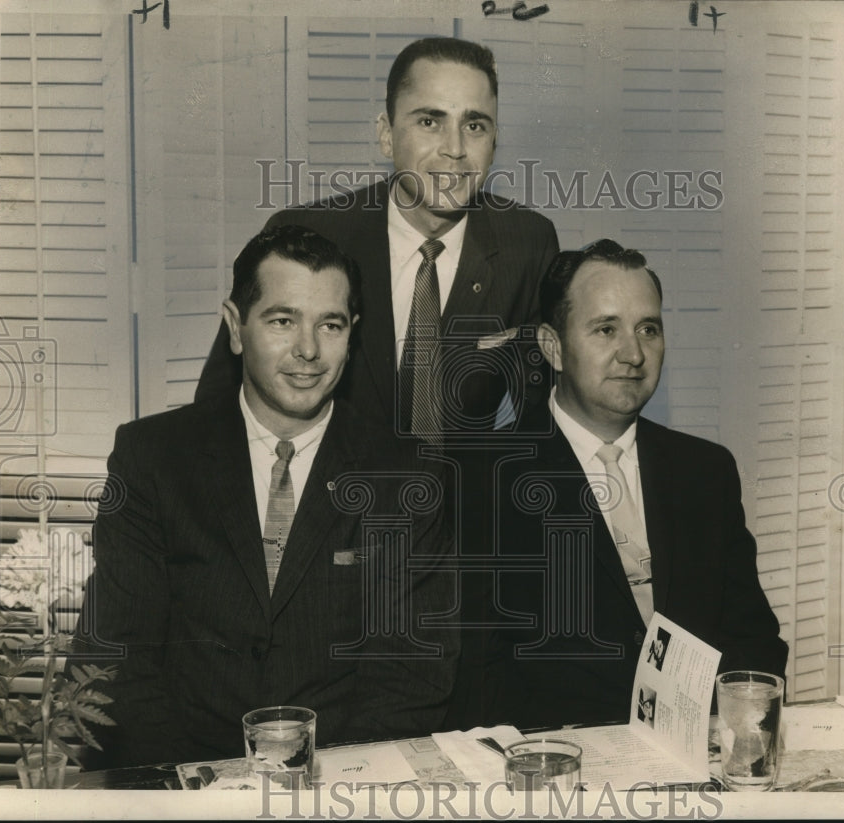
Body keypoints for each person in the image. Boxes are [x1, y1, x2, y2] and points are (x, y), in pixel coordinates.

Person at [72, 226, 459, 769]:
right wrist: (197, 794)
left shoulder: (408, 475)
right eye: (282, 321)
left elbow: (409, 681)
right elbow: (116, 658)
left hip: (341, 783)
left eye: (330, 324)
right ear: (236, 327)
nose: (309, 350)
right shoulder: (153, 458)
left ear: (352, 335)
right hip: (184, 780)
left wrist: (325, 790)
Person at [468, 239, 788, 731]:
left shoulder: (706, 471)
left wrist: (735, 735)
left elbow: (753, 640)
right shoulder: (483, 478)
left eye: (648, 329)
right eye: (606, 329)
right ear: (553, 347)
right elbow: (476, 674)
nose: (634, 354)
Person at [196, 37, 559, 440]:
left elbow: (545, 408)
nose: (455, 149)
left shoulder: (528, 241)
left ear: (493, 142)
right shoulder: (309, 234)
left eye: (474, 126)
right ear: (386, 134)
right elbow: (217, 406)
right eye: (429, 122)